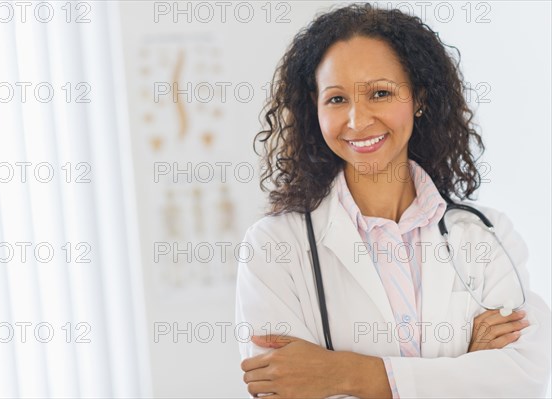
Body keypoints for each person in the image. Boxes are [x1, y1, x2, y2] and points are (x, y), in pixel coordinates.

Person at [234, 3, 551, 398]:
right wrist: (464, 371)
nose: (357, 119)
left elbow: (522, 379)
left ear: (419, 97)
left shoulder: (486, 234)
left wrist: (347, 374)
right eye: (336, 99)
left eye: (380, 93)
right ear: (312, 108)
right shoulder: (275, 247)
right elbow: (282, 386)